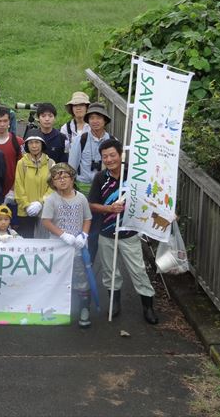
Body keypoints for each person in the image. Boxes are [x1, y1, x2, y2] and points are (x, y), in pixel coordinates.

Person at [88, 139, 158, 325]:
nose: (109, 159)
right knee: (110, 271)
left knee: (138, 270)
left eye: (112, 155)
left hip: (130, 232)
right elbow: (91, 205)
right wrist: (108, 209)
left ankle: (148, 306)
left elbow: (151, 196)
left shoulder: (135, 176)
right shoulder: (100, 178)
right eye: (105, 157)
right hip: (106, 232)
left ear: (120, 155)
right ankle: (114, 302)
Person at [42, 163, 93, 328]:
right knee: (56, 278)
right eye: (57, 178)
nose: (62, 180)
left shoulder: (81, 198)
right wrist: (62, 234)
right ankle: (55, 310)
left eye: (65, 176)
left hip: (77, 247)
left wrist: (84, 234)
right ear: (53, 183)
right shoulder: (51, 200)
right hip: (57, 248)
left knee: (81, 278)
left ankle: (84, 309)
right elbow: (46, 221)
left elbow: (87, 218)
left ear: (72, 179)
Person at [13, 129, 54, 238]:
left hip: (45, 210)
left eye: (37, 142)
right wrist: (27, 206)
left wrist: (40, 203)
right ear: (27, 145)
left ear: (42, 144)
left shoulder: (50, 163)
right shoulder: (22, 163)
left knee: (43, 242)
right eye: (31, 143)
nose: (34, 146)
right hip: (25, 211)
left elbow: (53, 187)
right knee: (27, 243)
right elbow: (18, 186)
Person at [68, 102, 112, 196]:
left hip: (106, 187)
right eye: (91, 118)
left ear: (105, 121)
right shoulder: (80, 140)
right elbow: (71, 167)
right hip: (83, 188)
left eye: (99, 118)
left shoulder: (112, 141)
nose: (95, 121)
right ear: (88, 121)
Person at [0, 107, 23, 205]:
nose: (2, 124)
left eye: (5, 121)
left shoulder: (19, 142)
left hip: (13, 192)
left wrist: (13, 190)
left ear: (9, 122)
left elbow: (23, 168)